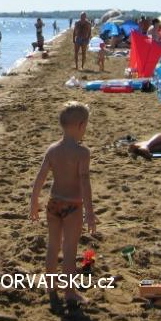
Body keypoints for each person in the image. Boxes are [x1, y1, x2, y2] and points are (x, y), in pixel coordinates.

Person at [29, 102, 96, 306]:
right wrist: (90, 213)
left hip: (53, 203)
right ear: (81, 125)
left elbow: (40, 178)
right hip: (73, 206)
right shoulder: (82, 153)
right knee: (69, 249)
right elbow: (84, 182)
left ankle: (50, 284)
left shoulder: (53, 150)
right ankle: (69, 291)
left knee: (53, 245)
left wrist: (34, 201)